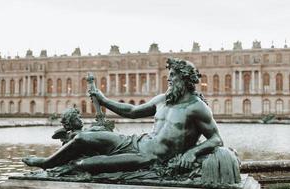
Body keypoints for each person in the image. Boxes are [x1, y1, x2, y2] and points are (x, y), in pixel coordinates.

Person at [22, 58, 224, 175]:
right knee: (82, 138)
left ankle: (62, 168)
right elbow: (132, 112)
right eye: (169, 75)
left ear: (185, 78)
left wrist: (192, 153)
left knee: (83, 165)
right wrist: (103, 100)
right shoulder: (164, 99)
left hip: (149, 157)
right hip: (136, 142)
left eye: (173, 75)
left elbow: (216, 139)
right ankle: (47, 163)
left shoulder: (197, 107)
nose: (169, 78)